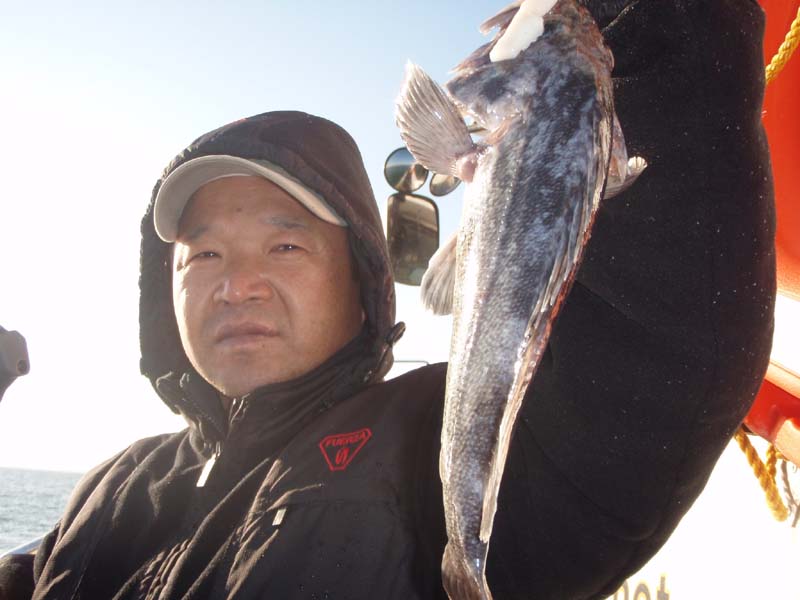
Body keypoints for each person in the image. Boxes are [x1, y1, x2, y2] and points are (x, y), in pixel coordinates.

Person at [0, 1, 776, 598]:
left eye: (285, 245)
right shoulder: (112, 485)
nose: (236, 283)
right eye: (203, 253)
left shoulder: (427, 446)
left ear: (364, 277)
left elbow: (657, 343)